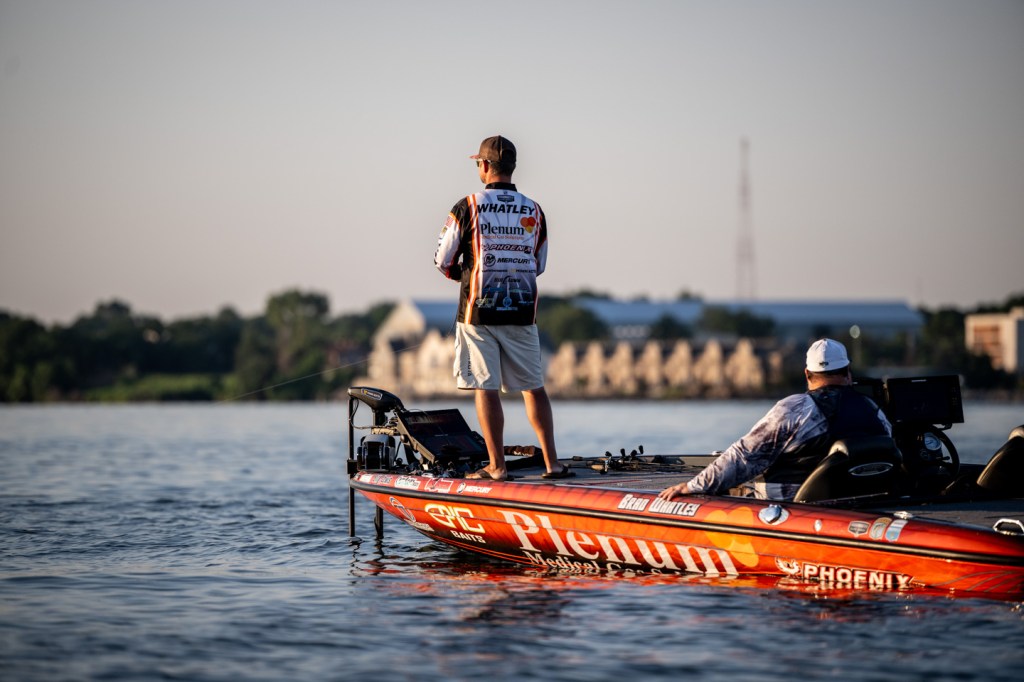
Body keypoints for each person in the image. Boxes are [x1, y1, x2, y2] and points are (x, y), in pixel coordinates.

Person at [433, 135, 571, 482]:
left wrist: (464, 276)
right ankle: (553, 464)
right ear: (512, 167)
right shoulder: (534, 209)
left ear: (484, 166)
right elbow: (539, 264)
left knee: (486, 387)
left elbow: (442, 259)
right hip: (522, 309)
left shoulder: (467, 205)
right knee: (533, 386)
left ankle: (497, 467)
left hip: (477, 312)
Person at [659, 338, 891, 501]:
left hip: (795, 510)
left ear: (807, 374)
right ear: (848, 372)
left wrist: (692, 486)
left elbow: (744, 457)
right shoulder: (874, 410)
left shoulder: (796, 409)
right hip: (861, 503)